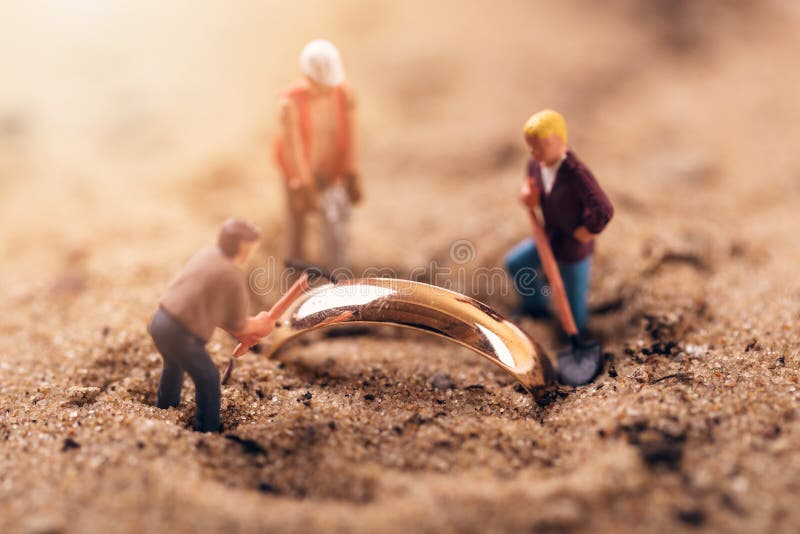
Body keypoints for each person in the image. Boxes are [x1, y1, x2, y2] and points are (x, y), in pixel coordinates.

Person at [148, 218, 275, 432]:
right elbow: (239, 324)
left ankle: (164, 408)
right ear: (242, 246)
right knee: (208, 378)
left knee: (173, 365)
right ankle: (207, 429)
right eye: (251, 248)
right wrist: (260, 325)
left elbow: (217, 315)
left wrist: (243, 327)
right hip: (182, 334)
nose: (251, 253)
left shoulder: (206, 255)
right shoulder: (232, 275)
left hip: (160, 321)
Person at [506, 110, 614, 335]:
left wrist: (587, 230)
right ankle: (535, 307)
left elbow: (603, 209)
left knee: (573, 300)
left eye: (538, 147)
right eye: (530, 147)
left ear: (556, 141)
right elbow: (529, 183)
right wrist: (527, 193)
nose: (533, 153)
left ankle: (578, 338)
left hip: (574, 248)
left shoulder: (576, 174)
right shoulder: (536, 164)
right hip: (548, 237)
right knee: (517, 263)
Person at [273, 39, 362, 270]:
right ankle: (293, 278)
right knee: (297, 226)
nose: (326, 89)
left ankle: (337, 274)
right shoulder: (290, 103)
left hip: (331, 170)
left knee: (336, 225)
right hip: (298, 174)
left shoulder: (344, 96)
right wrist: (303, 183)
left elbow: (350, 134)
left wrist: (351, 171)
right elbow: (293, 147)